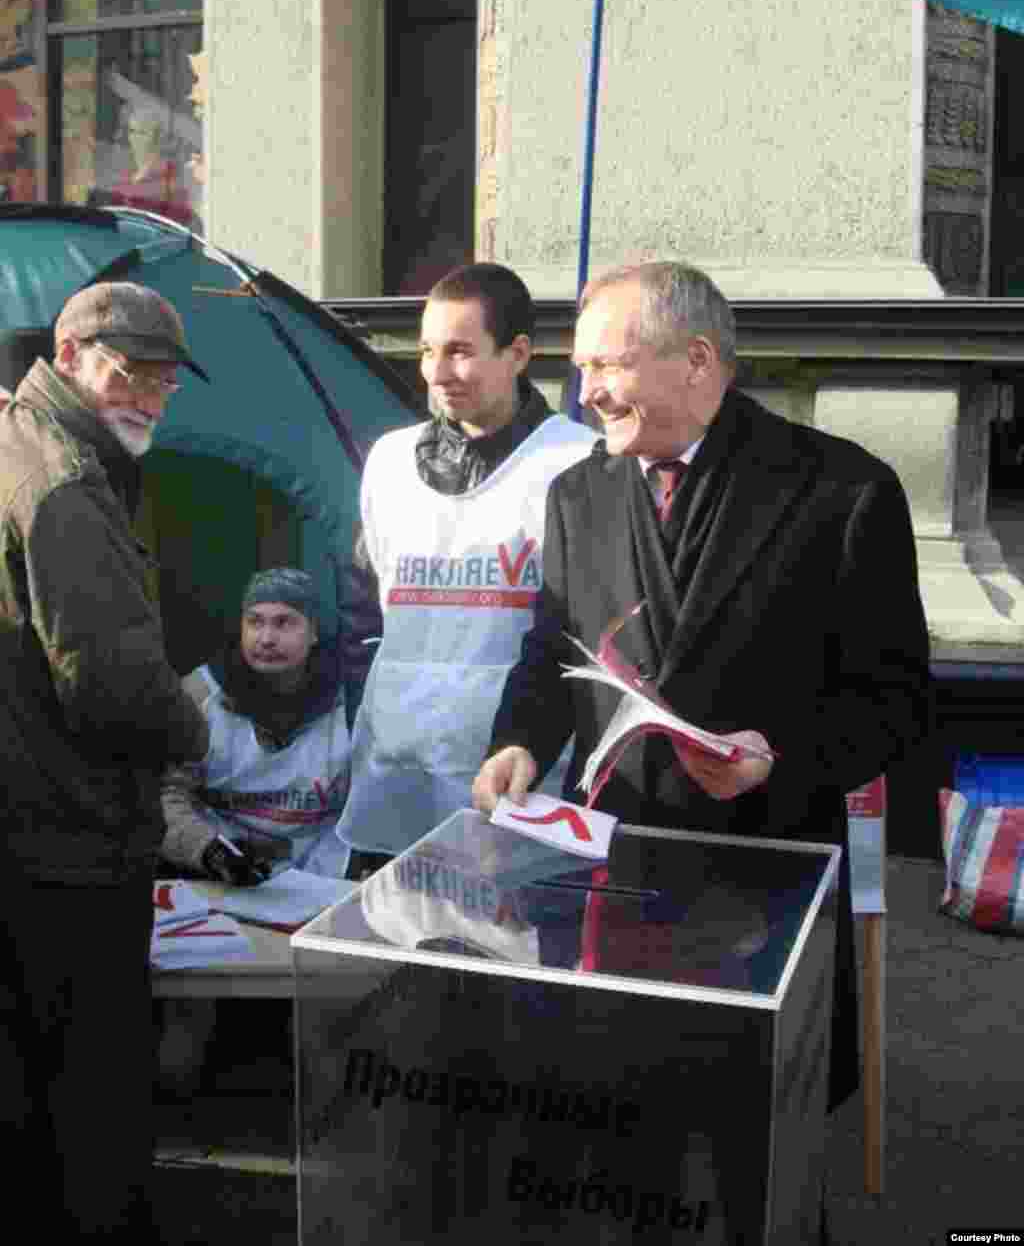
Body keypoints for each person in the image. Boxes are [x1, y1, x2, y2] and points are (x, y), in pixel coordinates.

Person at [473, 260, 932, 1114]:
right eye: (580, 369)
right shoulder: (578, 494)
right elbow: (551, 653)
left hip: (768, 884)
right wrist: (519, 741)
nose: (585, 394)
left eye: (608, 366)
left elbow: (896, 702)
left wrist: (781, 758)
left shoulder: (843, 491)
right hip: (617, 881)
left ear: (696, 358)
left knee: (754, 1156)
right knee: (615, 1140)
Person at [0, 280, 211, 1242]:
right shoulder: (65, 481)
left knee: (35, 1096)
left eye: (166, 381)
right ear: (73, 354)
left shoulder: (24, 439)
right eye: (133, 374)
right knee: (93, 1093)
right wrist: (193, 729)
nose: (152, 398)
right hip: (71, 836)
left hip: (32, 817)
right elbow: (113, 681)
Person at [336, 261, 596, 875]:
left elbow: (587, 637)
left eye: (460, 351)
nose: (437, 372)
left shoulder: (578, 464)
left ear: (519, 353)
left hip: (514, 779)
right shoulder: (390, 461)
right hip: (394, 775)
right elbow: (360, 607)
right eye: (427, 350)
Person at [160, 566, 351, 883]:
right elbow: (165, 796)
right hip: (220, 874)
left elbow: (370, 807)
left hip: (324, 879)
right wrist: (211, 852)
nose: (266, 638)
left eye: (284, 622)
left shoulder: (353, 700)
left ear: (314, 630)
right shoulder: (201, 694)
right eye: (255, 621)